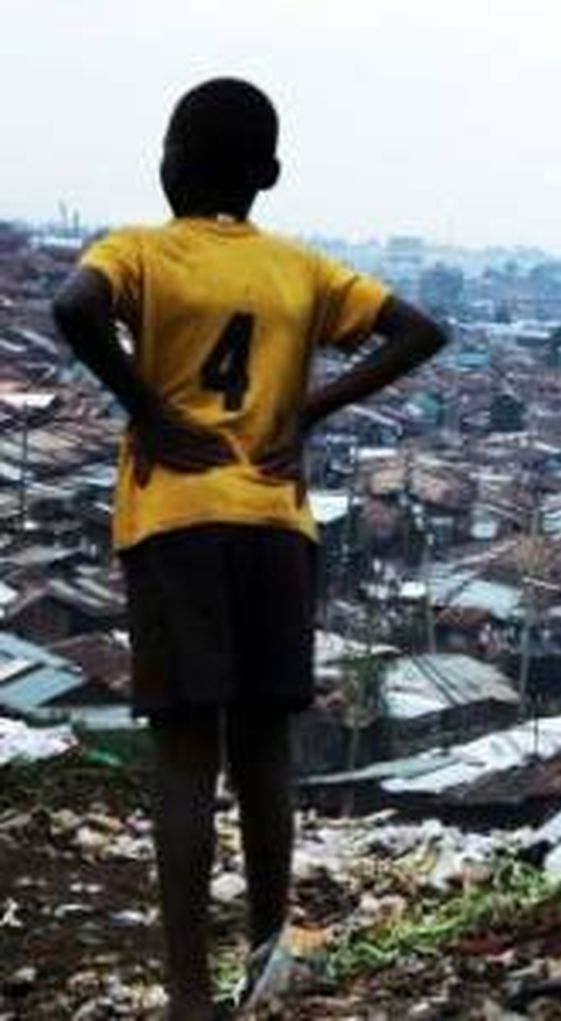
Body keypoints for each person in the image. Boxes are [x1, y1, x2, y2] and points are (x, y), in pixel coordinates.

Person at [51, 78, 447, 1019]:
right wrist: (307, 410)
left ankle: (191, 996)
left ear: (167, 165)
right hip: (275, 524)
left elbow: (74, 306)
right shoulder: (303, 272)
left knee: (187, 757)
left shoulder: (139, 251)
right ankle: (266, 967)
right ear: (268, 174)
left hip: (176, 522)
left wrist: (147, 406)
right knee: (265, 749)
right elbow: (421, 332)